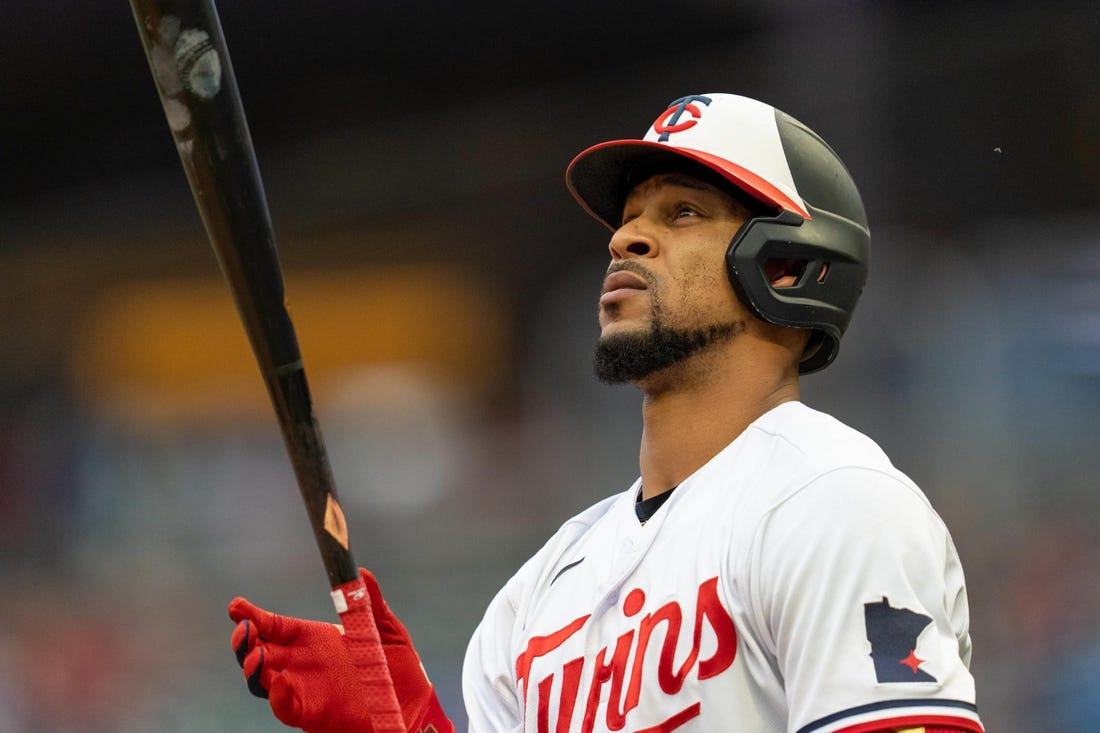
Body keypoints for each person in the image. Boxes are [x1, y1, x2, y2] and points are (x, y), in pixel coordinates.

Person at [229, 92, 984, 733]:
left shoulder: (833, 503)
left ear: (787, 263)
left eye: (682, 212)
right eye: (627, 217)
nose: (625, 236)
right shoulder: (538, 591)